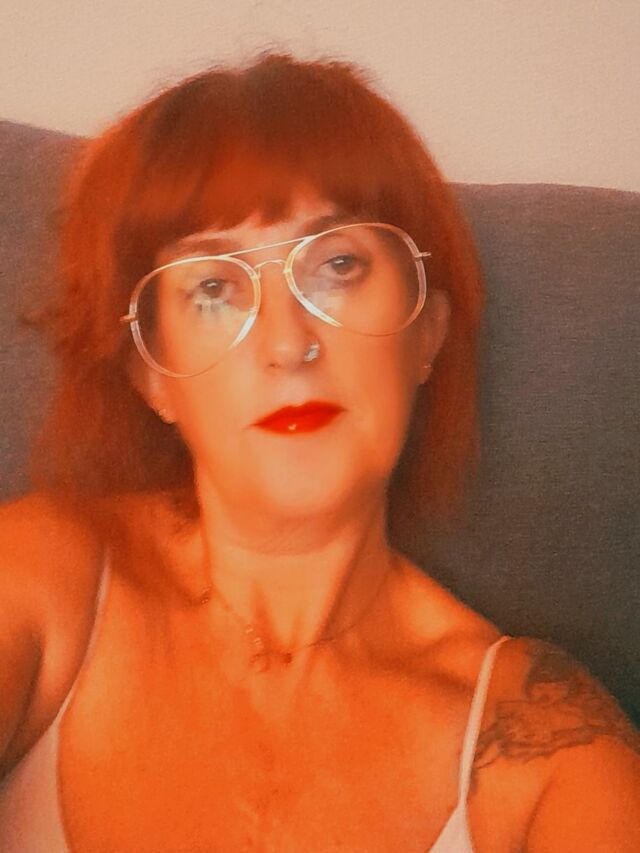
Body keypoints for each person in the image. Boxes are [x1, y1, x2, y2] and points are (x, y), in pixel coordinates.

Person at [0, 51, 638, 852]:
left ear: (426, 334)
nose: (287, 342)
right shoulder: (41, 576)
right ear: (152, 375)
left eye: (338, 265)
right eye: (214, 286)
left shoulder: (547, 742)